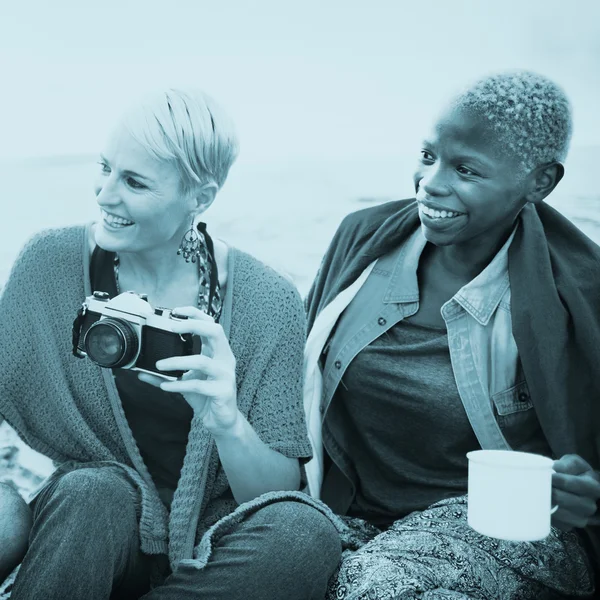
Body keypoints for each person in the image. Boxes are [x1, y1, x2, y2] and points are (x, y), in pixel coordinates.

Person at [0, 88, 341, 599]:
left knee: (303, 531)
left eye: (134, 182)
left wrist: (225, 418)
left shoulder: (267, 299)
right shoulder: (48, 265)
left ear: (200, 197)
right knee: (95, 487)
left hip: (216, 543)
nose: (104, 194)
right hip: (97, 527)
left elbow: (273, 493)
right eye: (105, 167)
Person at [303, 70, 600, 599]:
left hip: (509, 530)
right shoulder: (362, 241)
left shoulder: (577, 288)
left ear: (540, 182)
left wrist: (586, 489)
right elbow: (295, 390)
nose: (431, 183)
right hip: (354, 514)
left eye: (466, 169)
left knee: (377, 584)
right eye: (427, 155)